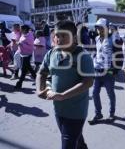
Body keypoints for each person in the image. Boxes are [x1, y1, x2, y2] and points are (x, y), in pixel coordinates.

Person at [36, 20, 94, 149]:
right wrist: (40, 89)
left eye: (64, 35)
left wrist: (63, 95)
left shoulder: (82, 56)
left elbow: (88, 82)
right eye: (57, 35)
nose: (59, 39)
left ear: (74, 37)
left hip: (76, 112)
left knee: (68, 143)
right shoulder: (52, 53)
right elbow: (42, 72)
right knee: (77, 141)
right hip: (59, 110)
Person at [88, 18, 116, 124]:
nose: (99, 30)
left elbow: (118, 54)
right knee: (95, 93)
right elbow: (96, 52)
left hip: (108, 71)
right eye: (98, 28)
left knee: (110, 93)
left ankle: (112, 114)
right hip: (97, 70)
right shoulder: (96, 39)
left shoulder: (112, 39)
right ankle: (98, 113)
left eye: (102, 28)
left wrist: (114, 70)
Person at [14, 25, 36, 89]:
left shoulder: (29, 36)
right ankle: (38, 80)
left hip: (26, 55)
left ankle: (19, 84)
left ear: (24, 29)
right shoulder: (24, 34)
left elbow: (30, 47)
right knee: (29, 68)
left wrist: (21, 44)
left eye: (21, 29)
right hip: (22, 54)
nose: (20, 30)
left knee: (23, 70)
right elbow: (22, 42)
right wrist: (19, 43)